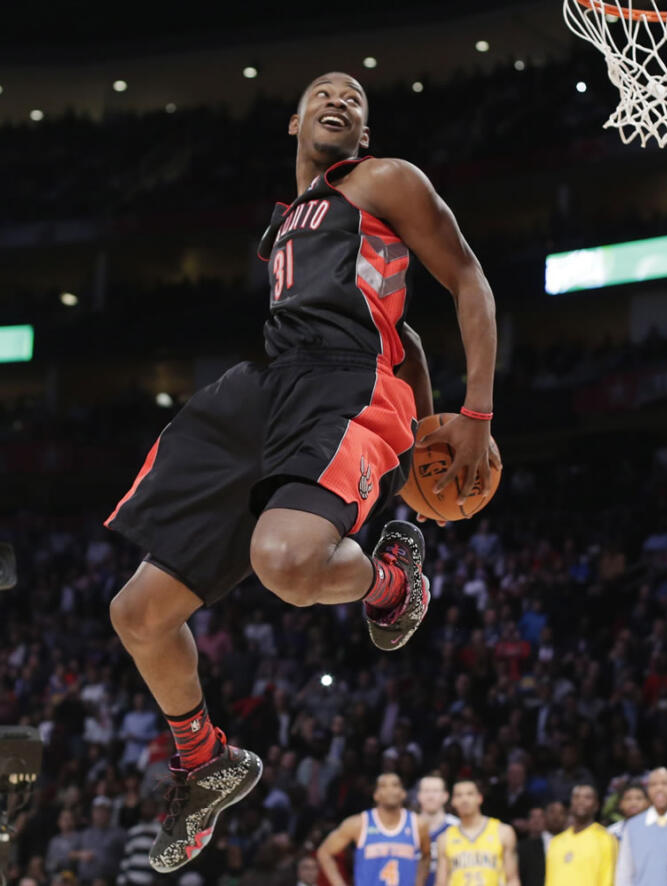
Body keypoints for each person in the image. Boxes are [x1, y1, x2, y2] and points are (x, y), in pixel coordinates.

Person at [105, 70, 500, 874]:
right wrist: (421, 418)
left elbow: (467, 280)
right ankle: (202, 759)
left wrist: (472, 416)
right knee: (137, 613)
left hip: (343, 380)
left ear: (363, 130)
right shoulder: (287, 223)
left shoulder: (385, 180)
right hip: (266, 388)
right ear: (292, 123)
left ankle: (392, 578)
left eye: (355, 98)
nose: (339, 101)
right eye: (324, 92)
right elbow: (412, 339)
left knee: (283, 561)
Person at [316, 772, 432, 886]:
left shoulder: (418, 824)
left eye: (395, 785)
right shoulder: (358, 824)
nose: (390, 789)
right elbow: (324, 853)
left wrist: (419, 882)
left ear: (403, 793)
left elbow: (426, 856)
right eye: (383, 786)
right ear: (376, 795)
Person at [615, 768, 667, 886]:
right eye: (654, 784)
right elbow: (624, 873)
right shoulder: (633, 826)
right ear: (648, 790)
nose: (659, 788)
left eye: (664, 783)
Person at [436, 780, 520, 886]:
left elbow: (512, 879)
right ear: (453, 801)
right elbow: (441, 882)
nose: (464, 799)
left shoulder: (503, 832)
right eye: (459, 795)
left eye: (470, 794)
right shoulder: (444, 838)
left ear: (479, 798)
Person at [545, 784, 617, 886]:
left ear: (596, 805)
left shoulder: (605, 838)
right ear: (571, 803)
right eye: (576, 797)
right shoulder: (556, 842)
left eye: (587, 797)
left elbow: (608, 879)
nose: (581, 801)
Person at [416, 775, 459, 886]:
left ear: (445, 796)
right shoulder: (408, 826)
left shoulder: (457, 827)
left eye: (435, 791)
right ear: (419, 796)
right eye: (426, 791)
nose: (430, 796)